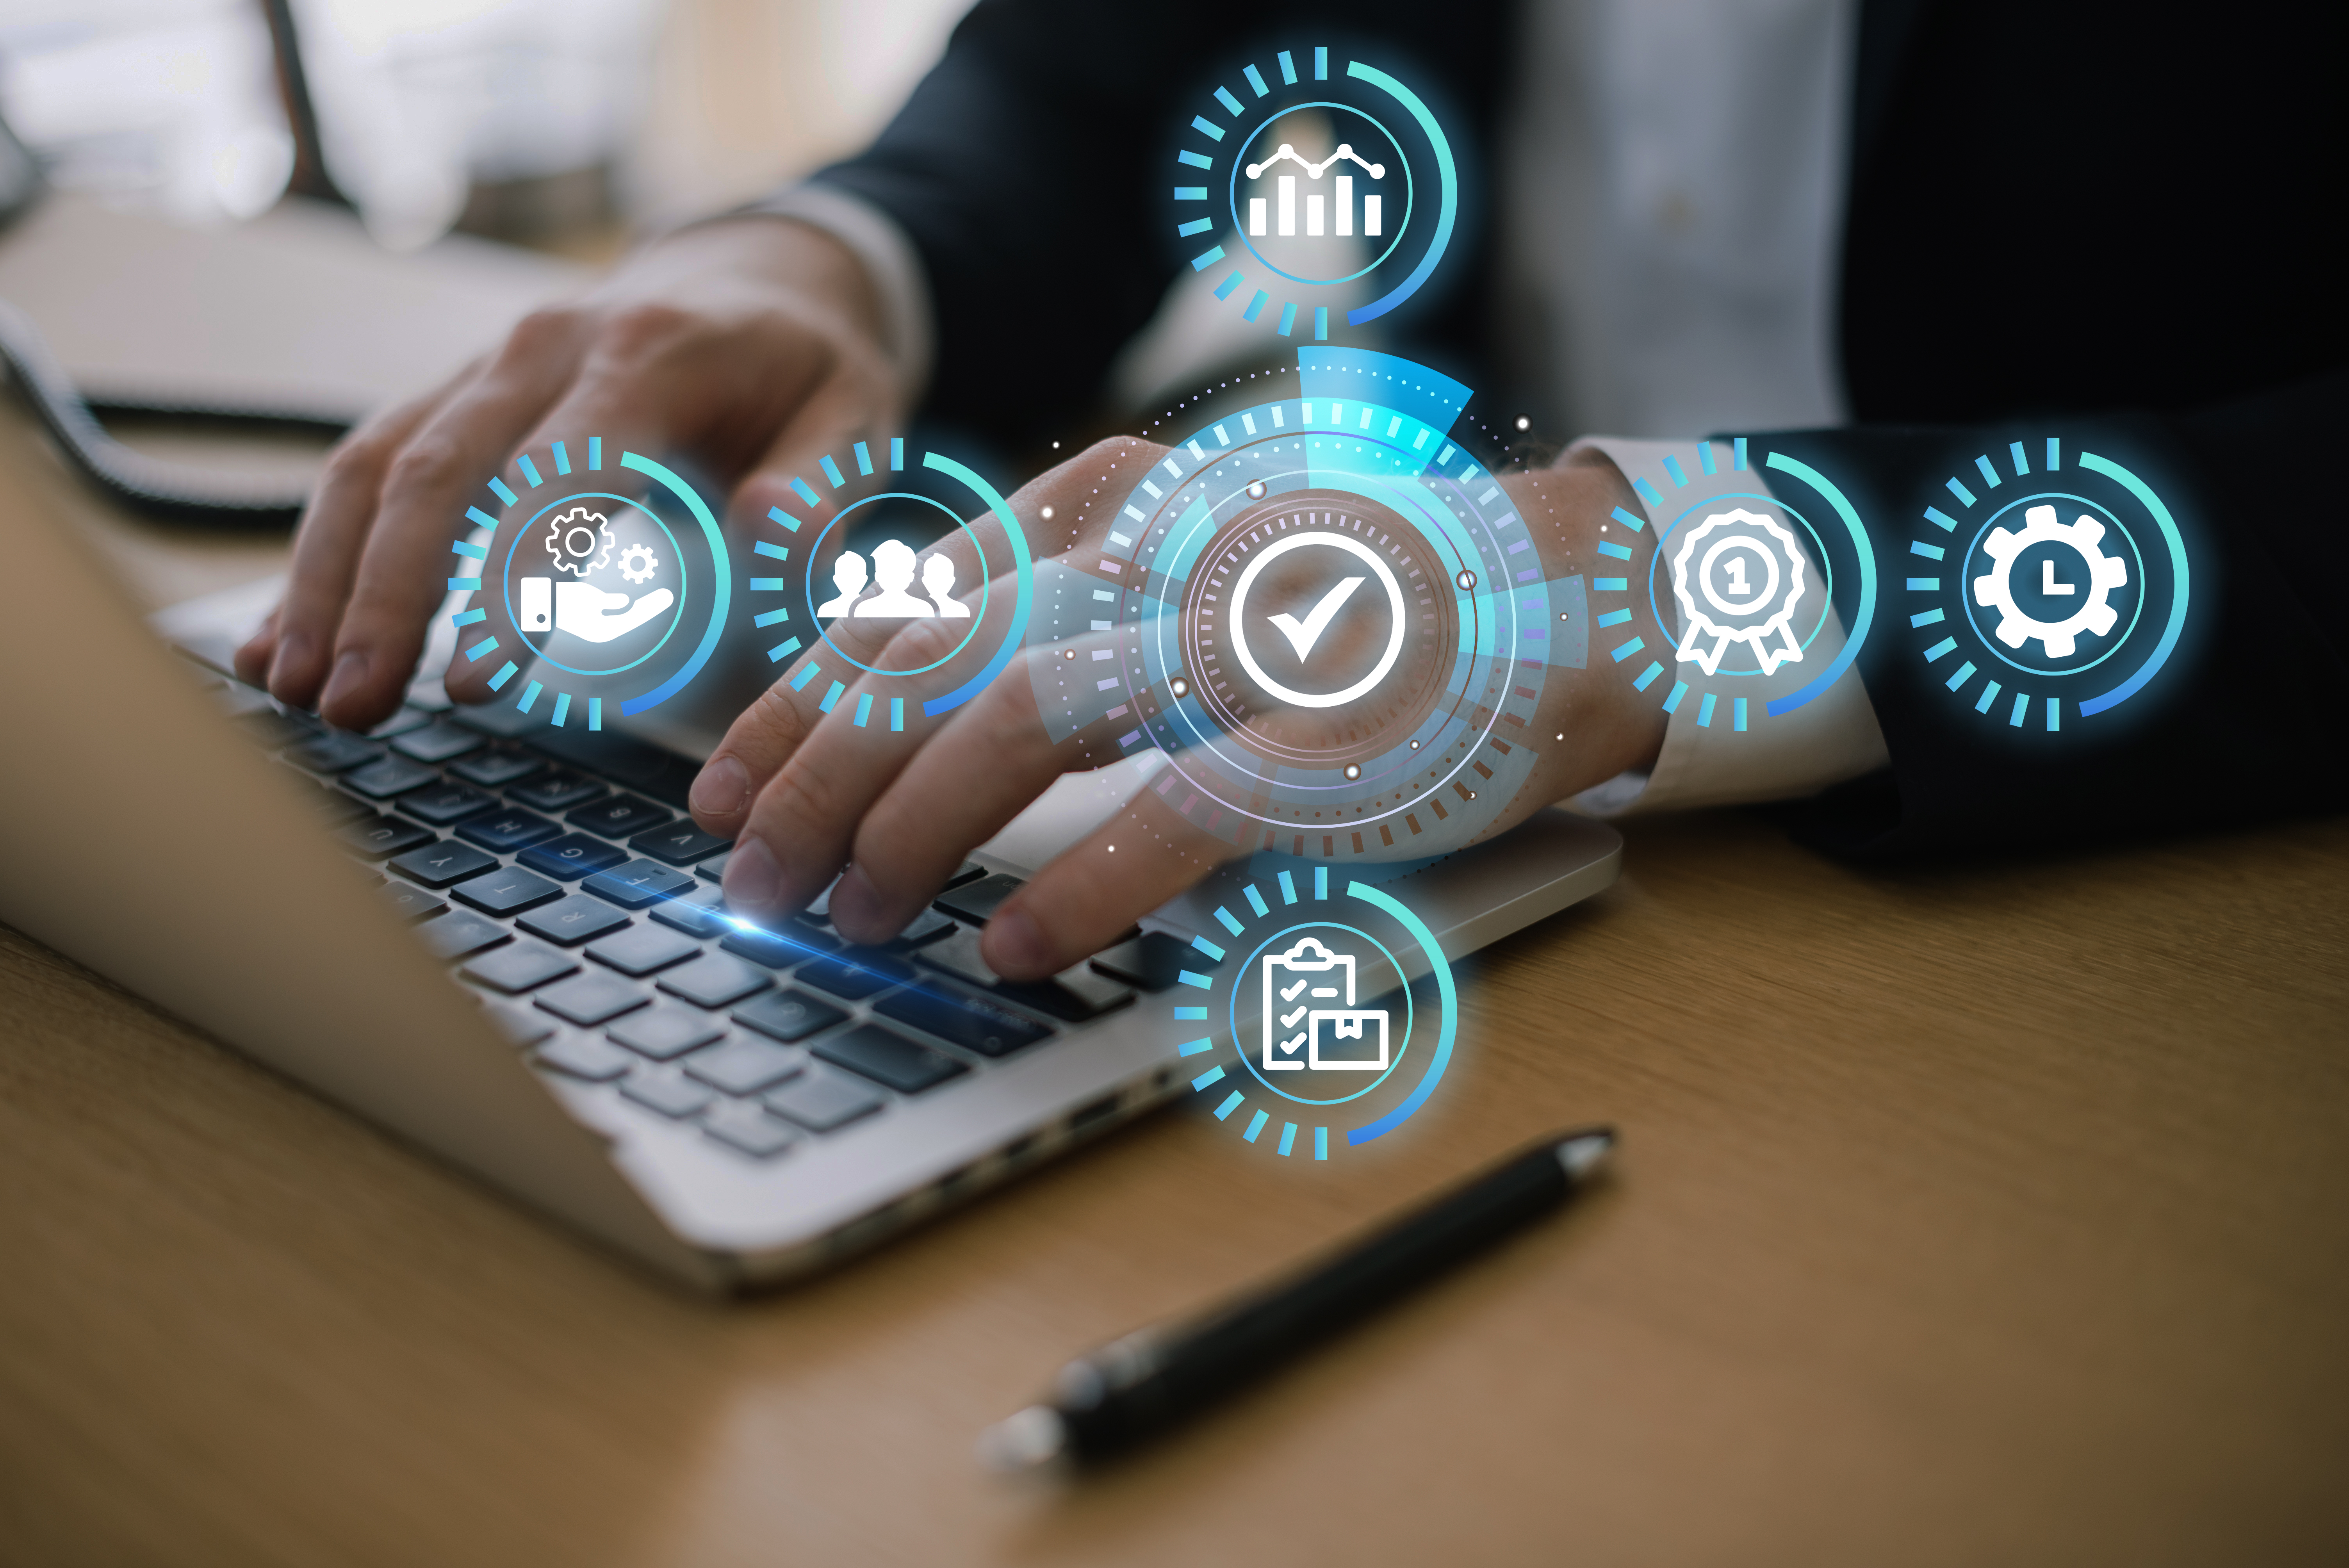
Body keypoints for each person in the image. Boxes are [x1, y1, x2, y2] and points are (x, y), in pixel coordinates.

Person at [233, 0, 2345, 984]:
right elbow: (1091, 71)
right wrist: (819, 249)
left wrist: (1714, 564)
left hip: (2104, 902)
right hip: (1410, 802)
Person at [852, 538, 936, 617]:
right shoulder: (864, 609)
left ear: (911, 577)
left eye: (900, 572)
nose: (893, 577)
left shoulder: (923, 609)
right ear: (877, 576)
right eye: (887, 571)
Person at [814, 549, 869, 619]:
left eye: (855, 576)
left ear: (865, 579)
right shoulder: (827, 609)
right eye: (845, 576)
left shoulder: (871, 608)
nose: (850, 582)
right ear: (836, 579)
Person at [922, 552, 970, 618]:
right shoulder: (920, 608)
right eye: (933, 578)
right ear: (925, 581)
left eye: (944, 578)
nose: (938, 583)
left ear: (952, 581)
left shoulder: (960, 609)